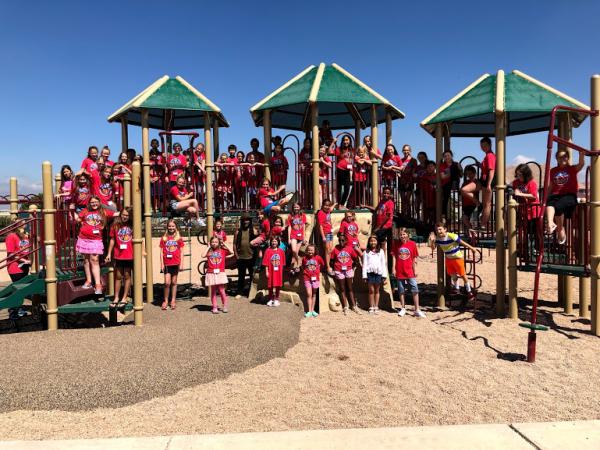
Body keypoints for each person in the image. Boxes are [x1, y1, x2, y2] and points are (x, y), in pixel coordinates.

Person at [429, 222, 476, 299]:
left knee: (462, 274)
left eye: (440, 229)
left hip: (457, 258)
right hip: (449, 258)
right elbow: (433, 248)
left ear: (445, 229)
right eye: (437, 230)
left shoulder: (451, 236)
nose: (439, 231)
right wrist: (432, 241)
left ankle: (469, 291)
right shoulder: (438, 238)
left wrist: (471, 248)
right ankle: (457, 288)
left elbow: (462, 242)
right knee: (453, 274)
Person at [545, 149, 584, 244]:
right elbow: (551, 185)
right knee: (549, 203)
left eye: (564, 156)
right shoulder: (553, 170)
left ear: (568, 158)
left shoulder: (572, 169)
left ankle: (560, 228)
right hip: (556, 194)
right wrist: (546, 196)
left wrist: (581, 156)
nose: (562, 158)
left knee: (558, 206)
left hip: (569, 195)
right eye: (560, 157)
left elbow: (581, 164)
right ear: (557, 159)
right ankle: (550, 223)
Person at [76, 196, 113, 295]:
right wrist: (74, 216)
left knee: (95, 260)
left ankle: (98, 284)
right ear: (89, 203)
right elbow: (78, 219)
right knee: (86, 260)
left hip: (96, 239)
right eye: (92, 202)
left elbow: (115, 213)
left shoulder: (103, 211)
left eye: (96, 202)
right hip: (84, 238)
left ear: (99, 202)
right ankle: (88, 281)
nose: (94, 204)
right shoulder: (85, 211)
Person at [392, 228, 425, 317]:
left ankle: (417, 309)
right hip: (399, 270)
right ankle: (403, 308)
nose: (402, 236)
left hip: (409, 270)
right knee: (401, 290)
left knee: (415, 289)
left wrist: (415, 270)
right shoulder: (396, 244)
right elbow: (395, 257)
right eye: (401, 235)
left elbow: (414, 258)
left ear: (408, 235)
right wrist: (393, 269)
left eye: (404, 234)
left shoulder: (412, 244)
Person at [361, 186, 395, 271]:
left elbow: (387, 216)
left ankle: (382, 260)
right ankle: (379, 259)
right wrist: (365, 206)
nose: (385, 195)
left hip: (385, 226)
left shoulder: (390, 203)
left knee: (380, 242)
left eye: (387, 193)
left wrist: (379, 227)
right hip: (380, 225)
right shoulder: (382, 202)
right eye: (384, 193)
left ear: (390, 194)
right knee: (379, 242)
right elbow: (376, 209)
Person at [105, 207, 133, 307]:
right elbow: (112, 240)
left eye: (127, 215)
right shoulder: (115, 225)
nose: (125, 217)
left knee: (127, 275)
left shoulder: (132, 226)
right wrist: (109, 253)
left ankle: (124, 298)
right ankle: (116, 297)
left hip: (129, 255)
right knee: (118, 276)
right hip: (118, 255)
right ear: (120, 214)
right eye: (123, 214)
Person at [330, 232, 363, 315]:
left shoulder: (350, 249)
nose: (341, 242)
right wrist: (334, 269)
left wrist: (352, 267)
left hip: (348, 270)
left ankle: (354, 306)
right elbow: (332, 260)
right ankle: (345, 307)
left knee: (350, 288)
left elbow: (356, 259)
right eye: (340, 240)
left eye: (343, 240)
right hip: (339, 270)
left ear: (346, 241)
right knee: (342, 288)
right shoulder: (335, 249)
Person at [512, 164, 542, 251]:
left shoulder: (531, 183)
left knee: (534, 232)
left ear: (526, 175)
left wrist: (520, 194)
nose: (518, 177)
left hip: (534, 211)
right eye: (517, 174)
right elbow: (515, 192)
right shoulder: (516, 182)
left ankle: (537, 249)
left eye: (520, 175)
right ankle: (526, 249)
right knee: (525, 231)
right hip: (523, 211)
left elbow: (534, 196)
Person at [5, 226, 31, 318]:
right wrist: (24, 260)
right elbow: (11, 254)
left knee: (21, 289)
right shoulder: (11, 236)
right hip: (15, 267)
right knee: (17, 290)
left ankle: (18, 309)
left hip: (24, 267)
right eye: (24, 224)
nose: (25, 226)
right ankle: (13, 311)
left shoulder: (24, 236)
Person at [159, 219, 184, 310]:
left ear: (175, 227)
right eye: (169, 226)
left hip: (176, 263)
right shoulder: (164, 238)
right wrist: (161, 264)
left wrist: (181, 264)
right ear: (167, 227)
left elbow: (181, 252)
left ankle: (173, 300)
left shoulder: (178, 238)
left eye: (173, 226)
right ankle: (165, 300)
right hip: (167, 264)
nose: (171, 228)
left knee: (174, 282)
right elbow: (161, 252)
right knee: (167, 282)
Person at [204, 236, 234, 314]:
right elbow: (202, 255)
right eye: (213, 242)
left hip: (220, 272)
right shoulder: (209, 252)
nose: (214, 243)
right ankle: (214, 307)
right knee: (213, 291)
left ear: (219, 243)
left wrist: (224, 244)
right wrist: (208, 247)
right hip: (211, 272)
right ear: (210, 243)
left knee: (222, 290)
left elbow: (231, 252)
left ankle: (225, 305)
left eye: (216, 242)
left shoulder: (222, 251)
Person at [362, 235, 388, 315]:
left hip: (378, 273)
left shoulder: (380, 251)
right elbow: (364, 264)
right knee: (371, 290)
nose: (373, 242)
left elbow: (383, 263)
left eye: (374, 241)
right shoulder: (366, 252)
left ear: (377, 242)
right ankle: (371, 306)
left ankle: (376, 306)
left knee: (377, 290)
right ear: (369, 242)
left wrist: (384, 275)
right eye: (371, 241)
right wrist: (364, 275)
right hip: (370, 273)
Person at [234, 214, 258, 297]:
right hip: (241, 257)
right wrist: (236, 255)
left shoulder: (253, 230)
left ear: (250, 221)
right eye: (244, 220)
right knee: (241, 276)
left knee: (252, 276)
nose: (246, 221)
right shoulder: (238, 232)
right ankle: (239, 292)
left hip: (251, 257)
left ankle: (251, 293)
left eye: (247, 220)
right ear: (242, 221)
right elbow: (234, 244)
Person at [330, 135, 354, 207]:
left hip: (347, 171)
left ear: (350, 141)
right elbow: (329, 151)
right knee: (339, 188)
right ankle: (338, 204)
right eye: (344, 140)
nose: (345, 141)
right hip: (339, 170)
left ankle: (342, 204)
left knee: (347, 188)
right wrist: (333, 142)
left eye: (347, 140)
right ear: (342, 141)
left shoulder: (352, 150)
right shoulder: (339, 149)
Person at [302, 244, 324, 318]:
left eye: (311, 250)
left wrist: (318, 270)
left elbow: (322, 264)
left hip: (315, 278)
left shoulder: (318, 258)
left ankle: (312, 310)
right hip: (307, 278)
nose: (310, 251)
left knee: (314, 294)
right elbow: (303, 266)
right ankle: (309, 311)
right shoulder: (304, 258)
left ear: (314, 251)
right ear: (307, 251)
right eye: (309, 250)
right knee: (309, 294)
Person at [439, 149, 462, 219]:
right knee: (445, 199)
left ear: (451, 156)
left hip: (455, 183)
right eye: (445, 156)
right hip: (446, 184)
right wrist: (451, 173)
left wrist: (459, 169)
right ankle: (444, 216)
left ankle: (460, 200)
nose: (447, 157)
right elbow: (442, 177)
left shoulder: (456, 164)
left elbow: (461, 175)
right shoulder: (442, 165)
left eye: (448, 155)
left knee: (454, 167)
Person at [262, 237, 286, 307]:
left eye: (275, 241)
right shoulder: (267, 251)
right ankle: (270, 299)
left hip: (278, 271)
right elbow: (266, 263)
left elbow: (283, 263)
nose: (274, 243)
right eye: (272, 241)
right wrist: (267, 271)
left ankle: (276, 299)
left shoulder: (281, 251)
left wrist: (281, 271)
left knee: (278, 285)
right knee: (270, 285)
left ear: (278, 242)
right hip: (271, 271)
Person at [479, 137, 496, 228]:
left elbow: (491, 170)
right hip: (484, 181)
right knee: (486, 204)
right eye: (481, 146)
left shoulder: (490, 156)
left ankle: (483, 224)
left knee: (487, 204)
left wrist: (489, 183)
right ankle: (483, 222)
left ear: (489, 145)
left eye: (485, 145)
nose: (483, 147)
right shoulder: (487, 155)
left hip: (487, 181)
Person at [316, 198, 336, 276]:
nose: (327, 207)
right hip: (325, 233)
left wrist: (334, 204)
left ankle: (326, 265)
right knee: (327, 249)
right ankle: (328, 267)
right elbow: (320, 226)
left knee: (330, 249)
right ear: (322, 205)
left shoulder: (327, 211)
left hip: (330, 232)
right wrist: (323, 236)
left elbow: (330, 209)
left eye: (328, 205)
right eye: (325, 205)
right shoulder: (321, 213)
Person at [287, 203, 307, 273]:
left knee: (294, 254)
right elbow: (289, 227)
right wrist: (289, 238)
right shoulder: (290, 216)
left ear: (300, 207)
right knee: (294, 250)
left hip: (300, 236)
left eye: (297, 207)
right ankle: (299, 260)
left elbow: (304, 226)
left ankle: (294, 267)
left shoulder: (303, 215)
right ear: (293, 208)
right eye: (295, 207)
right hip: (293, 236)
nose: (296, 208)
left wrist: (304, 237)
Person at [460, 165, 479, 236]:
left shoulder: (477, 182)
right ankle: (471, 233)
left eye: (470, 173)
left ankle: (473, 232)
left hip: (473, 204)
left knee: (469, 219)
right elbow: (461, 192)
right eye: (467, 174)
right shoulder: (465, 183)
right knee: (465, 219)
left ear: (474, 173)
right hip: (466, 204)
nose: (469, 175)